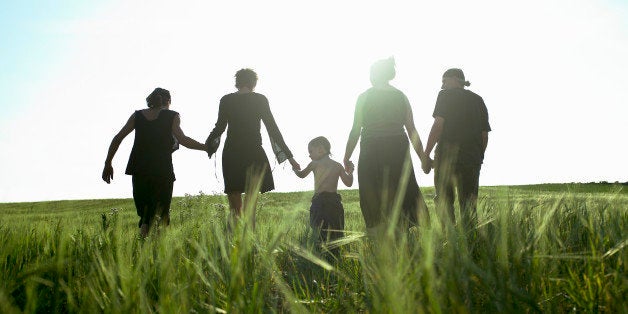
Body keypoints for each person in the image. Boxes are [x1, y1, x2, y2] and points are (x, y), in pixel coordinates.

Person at [102, 88, 207, 237]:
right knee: (161, 216)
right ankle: (158, 255)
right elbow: (183, 140)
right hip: (162, 171)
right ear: (168, 101)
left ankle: (142, 252)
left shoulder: (137, 116)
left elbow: (118, 138)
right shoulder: (172, 116)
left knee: (145, 217)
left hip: (139, 170)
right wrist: (206, 147)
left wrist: (108, 163)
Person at [343, 57, 429, 236]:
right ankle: (402, 238)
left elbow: (355, 130)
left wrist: (346, 157)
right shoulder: (401, 96)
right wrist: (423, 158)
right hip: (398, 148)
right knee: (401, 191)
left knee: (371, 192)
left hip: (371, 150)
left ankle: (378, 241)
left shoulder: (364, 97)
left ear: (374, 75)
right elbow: (412, 130)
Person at [206, 68, 300, 228]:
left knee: (235, 208)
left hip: (232, 154)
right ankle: (250, 245)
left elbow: (219, 128)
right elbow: (272, 128)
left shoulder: (226, 100)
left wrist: (208, 145)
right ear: (253, 83)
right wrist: (290, 158)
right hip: (253, 153)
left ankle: (234, 245)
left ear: (237, 82)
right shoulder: (260, 99)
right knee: (250, 207)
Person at [423, 68, 491, 228]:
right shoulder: (478, 100)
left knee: (444, 200)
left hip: (446, 158)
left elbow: (438, 125)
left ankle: (449, 240)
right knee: (469, 204)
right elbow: (484, 135)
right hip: (471, 159)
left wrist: (426, 154)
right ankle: (470, 242)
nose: (442, 85)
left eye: (444, 81)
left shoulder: (445, 96)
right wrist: (478, 158)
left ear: (455, 79)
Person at [293, 136, 353, 249]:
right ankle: (335, 255)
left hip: (319, 202)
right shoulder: (337, 165)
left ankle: (319, 254)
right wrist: (350, 172)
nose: (309, 155)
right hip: (334, 202)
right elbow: (349, 183)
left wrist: (295, 169)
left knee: (318, 231)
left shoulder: (314, 164)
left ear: (321, 149)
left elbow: (301, 175)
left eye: (311, 151)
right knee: (336, 230)